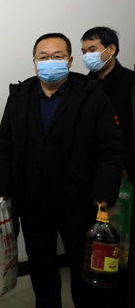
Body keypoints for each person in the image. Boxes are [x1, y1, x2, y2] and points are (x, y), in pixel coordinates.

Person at [0, 33, 125, 308]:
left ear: (69, 61)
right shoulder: (20, 96)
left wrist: (104, 191)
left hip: (78, 199)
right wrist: (5, 189)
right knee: (41, 267)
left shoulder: (92, 96)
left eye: (57, 56)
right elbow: (5, 144)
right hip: (33, 200)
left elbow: (112, 148)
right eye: (43, 57)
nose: (50, 62)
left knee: (83, 269)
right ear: (34, 62)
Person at [80, 26, 135, 306]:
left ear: (111, 49)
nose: (87, 56)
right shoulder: (82, 85)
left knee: (118, 248)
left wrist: (122, 168)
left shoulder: (130, 82)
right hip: (87, 179)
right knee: (92, 246)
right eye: (83, 51)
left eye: (92, 49)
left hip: (123, 178)